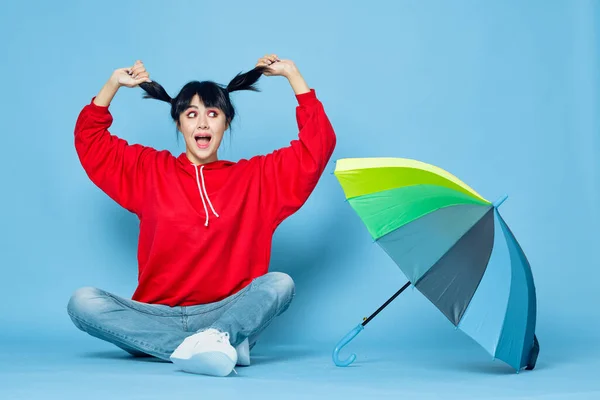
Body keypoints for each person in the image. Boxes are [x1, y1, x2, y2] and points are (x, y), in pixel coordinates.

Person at [67, 54, 337, 377]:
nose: (203, 123)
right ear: (179, 123)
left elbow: (317, 146)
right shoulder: (149, 171)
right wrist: (112, 85)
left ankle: (214, 339)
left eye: (213, 113)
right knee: (82, 303)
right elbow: (90, 141)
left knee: (281, 284)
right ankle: (213, 349)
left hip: (226, 314)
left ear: (226, 123)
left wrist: (294, 76)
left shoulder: (257, 179)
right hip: (155, 315)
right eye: (191, 114)